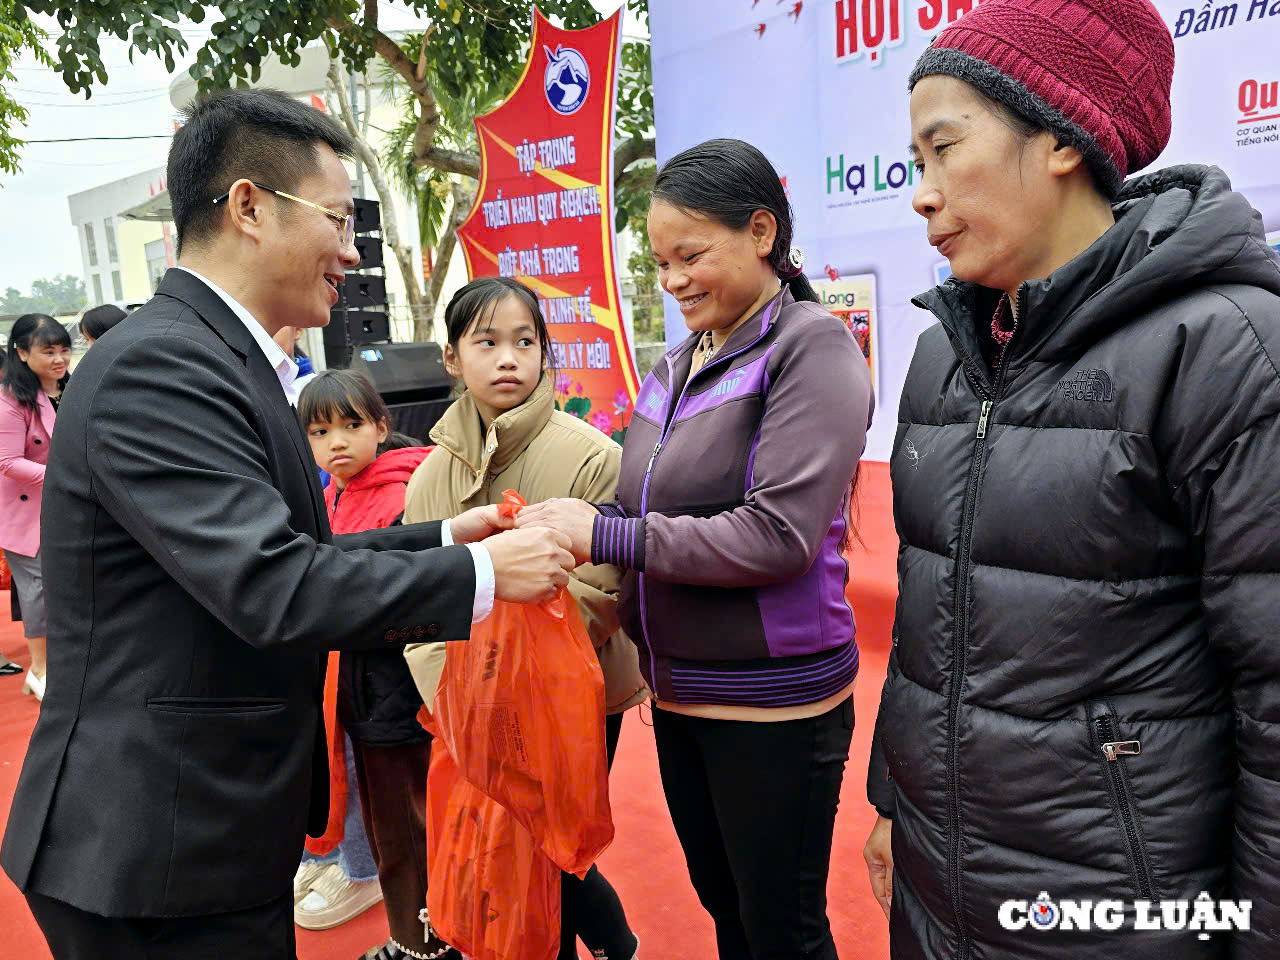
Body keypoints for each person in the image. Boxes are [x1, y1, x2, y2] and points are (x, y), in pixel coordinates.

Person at [0, 87, 574, 960]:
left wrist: (445, 538)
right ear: (249, 208)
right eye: (339, 220)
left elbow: (287, 555)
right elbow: (272, 586)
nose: (350, 252)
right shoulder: (162, 365)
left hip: (203, 831)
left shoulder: (221, 358)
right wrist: (490, 578)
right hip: (158, 845)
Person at [861, 2, 1280, 957]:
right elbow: (928, 625)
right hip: (939, 895)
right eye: (914, 164)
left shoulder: (1224, 349)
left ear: (1058, 136)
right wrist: (894, 804)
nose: (920, 194)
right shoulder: (939, 359)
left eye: (943, 150)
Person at [519, 139, 874, 960]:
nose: (672, 280)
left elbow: (777, 535)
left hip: (774, 703)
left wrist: (602, 532)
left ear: (760, 233)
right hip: (678, 694)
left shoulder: (811, 347)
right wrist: (566, 527)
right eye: (661, 261)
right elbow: (643, 502)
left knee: (782, 928)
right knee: (725, 908)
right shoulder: (679, 360)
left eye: (691, 255)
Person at [402, 276, 649, 960]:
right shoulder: (431, 476)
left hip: (578, 698)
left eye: (524, 342)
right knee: (502, 852)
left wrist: (525, 658)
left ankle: (608, 944)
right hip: (469, 706)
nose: (508, 358)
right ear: (452, 357)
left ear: (545, 353)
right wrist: (448, 697)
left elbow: (606, 592)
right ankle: (603, 944)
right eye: (487, 342)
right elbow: (412, 600)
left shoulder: (594, 458)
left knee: (553, 848)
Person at [297, 370, 450, 959]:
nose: (337, 441)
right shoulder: (335, 494)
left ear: (382, 428)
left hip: (399, 694)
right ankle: (413, 938)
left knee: (412, 826)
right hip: (358, 692)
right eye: (320, 430)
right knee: (390, 825)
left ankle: (426, 944)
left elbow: (400, 598)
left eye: (351, 425)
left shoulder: (402, 495)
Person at [0, 313, 71, 697]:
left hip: (69, 508)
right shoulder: (11, 400)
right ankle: (40, 670)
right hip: (27, 513)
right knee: (39, 592)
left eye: (64, 349)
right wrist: (66, 475)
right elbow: (7, 462)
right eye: (48, 351)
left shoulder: (70, 388)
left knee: (69, 587)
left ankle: (61, 665)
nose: (59, 359)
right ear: (22, 353)